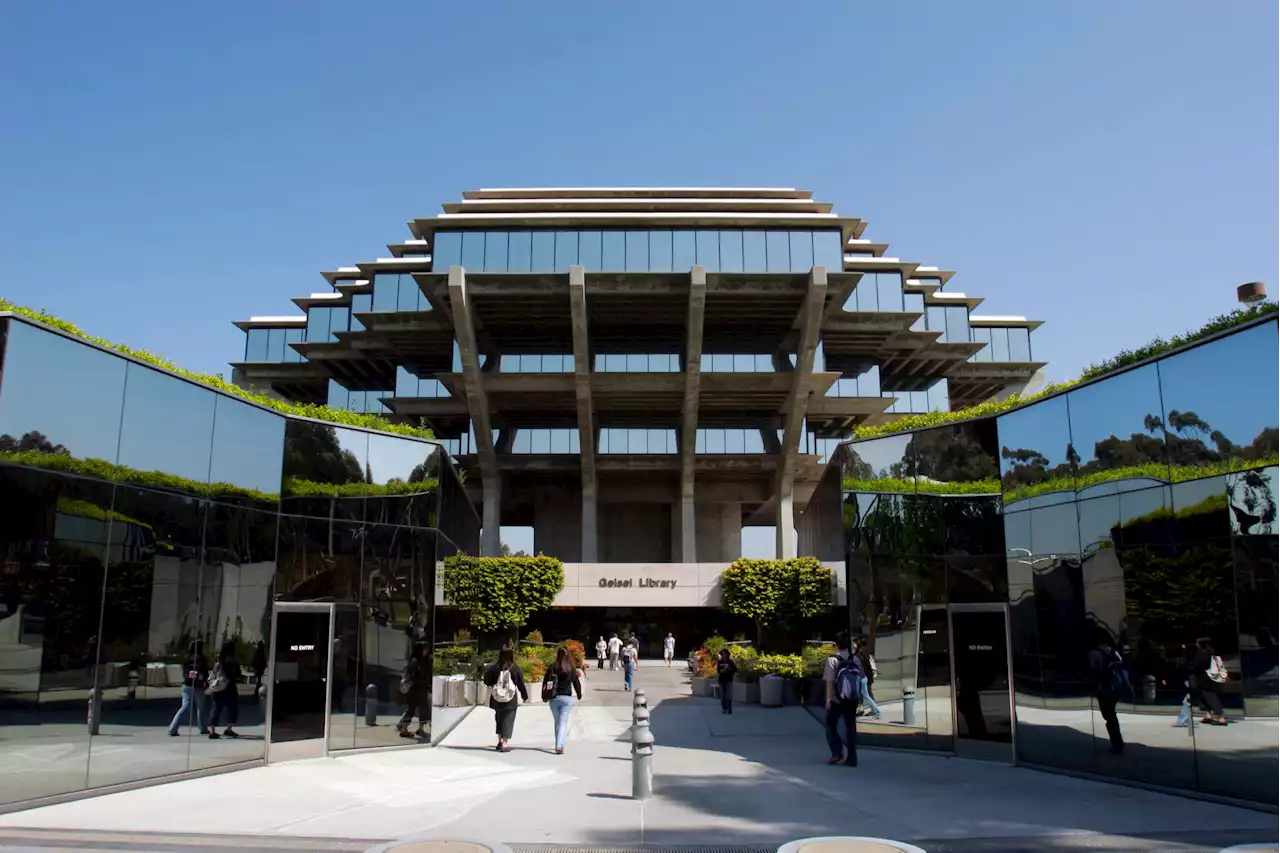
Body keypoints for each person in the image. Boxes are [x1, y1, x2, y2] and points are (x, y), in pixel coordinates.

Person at [823, 631, 861, 766]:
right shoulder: (854, 659)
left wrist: (828, 699)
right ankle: (852, 757)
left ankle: (837, 752)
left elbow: (830, 681)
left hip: (836, 699)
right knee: (850, 727)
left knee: (830, 725)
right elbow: (860, 679)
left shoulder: (832, 659)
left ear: (836, 645)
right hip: (852, 699)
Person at [1088, 633, 1129, 754]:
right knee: (1110, 714)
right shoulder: (1114, 652)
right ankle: (1117, 742)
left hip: (1105, 689)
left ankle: (1117, 743)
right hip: (1117, 687)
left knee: (1109, 715)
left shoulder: (1094, 654)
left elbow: (1093, 673)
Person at [483, 645, 528, 751]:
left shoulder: (494, 668)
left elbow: (486, 680)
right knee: (508, 719)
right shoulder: (515, 668)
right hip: (510, 699)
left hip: (496, 697)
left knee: (499, 719)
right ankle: (504, 743)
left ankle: (500, 740)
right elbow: (521, 683)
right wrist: (524, 695)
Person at [543, 647, 583, 754]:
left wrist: (544, 695)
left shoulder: (552, 667)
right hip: (566, 698)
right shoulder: (570, 668)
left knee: (558, 722)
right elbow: (576, 682)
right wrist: (579, 694)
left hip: (554, 698)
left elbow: (545, 681)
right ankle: (559, 745)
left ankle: (558, 743)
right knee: (562, 722)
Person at [168, 641, 209, 737]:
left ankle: (173, 728)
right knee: (201, 707)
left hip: (187, 684)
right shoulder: (201, 659)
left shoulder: (187, 658)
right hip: (198, 686)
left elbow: (184, 672)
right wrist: (206, 683)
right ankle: (203, 728)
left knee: (185, 706)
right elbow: (205, 672)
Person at [207, 640, 242, 739]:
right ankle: (229, 729)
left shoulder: (219, 661)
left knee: (216, 709)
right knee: (232, 708)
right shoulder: (233, 661)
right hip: (230, 687)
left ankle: (213, 731)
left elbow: (214, 673)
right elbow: (237, 674)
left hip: (218, 687)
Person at [1191, 637, 1228, 725]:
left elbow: (1198, 665)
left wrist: (1190, 669)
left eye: (1197, 643)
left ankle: (1220, 717)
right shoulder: (1212, 652)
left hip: (1205, 678)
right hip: (1209, 678)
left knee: (1210, 696)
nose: (1196, 644)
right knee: (1204, 696)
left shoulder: (1203, 653)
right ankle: (1208, 715)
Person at [396, 642, 429, 739]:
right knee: (412, 710)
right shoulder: (415, 662)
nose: (426, 651)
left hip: (418, 690)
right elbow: (415, 677)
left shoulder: (421, 660)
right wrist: (422, 679)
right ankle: (404, 729)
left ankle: (419, 728)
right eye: (424, 649)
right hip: (415, 691)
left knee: (422, 709)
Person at [857, 640, 882, 720]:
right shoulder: (863, 654)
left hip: (864, 677)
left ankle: (876, 711)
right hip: (864, 677)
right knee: (865, 694)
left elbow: (867, 667)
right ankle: (870, 710)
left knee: (867, 695)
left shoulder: (862, 654)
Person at [716, 648, 737, 714]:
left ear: (728, 655)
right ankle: (724, 708)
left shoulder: (730, 662)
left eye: (725, 654)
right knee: (723, 695)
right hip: (722, 680)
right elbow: (718, 671)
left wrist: (730, 669)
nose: (723, 655)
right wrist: (721, 671)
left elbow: (735, 670)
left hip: (729, 680)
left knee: (728, 695)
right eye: (722, 654)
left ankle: (729, 708)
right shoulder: (720, 662)